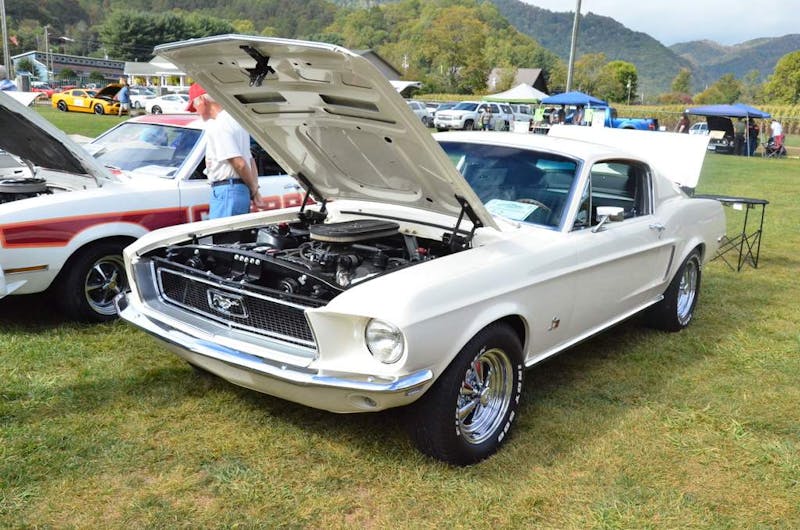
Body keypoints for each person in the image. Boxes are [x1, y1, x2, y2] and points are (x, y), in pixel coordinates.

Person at [186, 83, 262, 218]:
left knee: (225, 238)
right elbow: (250, 160)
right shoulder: (236, 121)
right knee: (237, 237)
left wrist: (253, 189)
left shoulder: (219, 125)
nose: (196, 111)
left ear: (202, 100)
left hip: (227, 190)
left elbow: (240, 163)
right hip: (238, 190)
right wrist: (254, 189)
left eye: (194, 106)